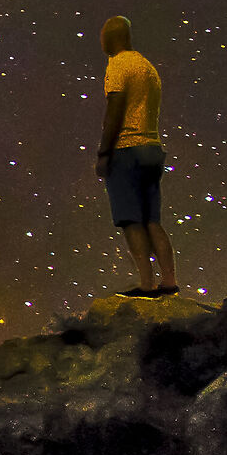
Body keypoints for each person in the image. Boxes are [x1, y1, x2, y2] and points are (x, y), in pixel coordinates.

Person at [95, 16, 176, 295]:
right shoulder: (147, 67)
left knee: (131, 220)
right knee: (152, 219)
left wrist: (104, 152)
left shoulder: (118, 64)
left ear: (113, 37)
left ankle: (146, 284)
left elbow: (115, 109)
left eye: (103, 35)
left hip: (127, 150)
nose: (101, 41)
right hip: (152, 149)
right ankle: (169, 281)